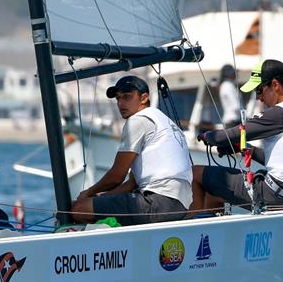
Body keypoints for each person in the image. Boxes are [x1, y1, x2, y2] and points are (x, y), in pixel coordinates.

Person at [190, 59, 283, 211]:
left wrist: (207, 136)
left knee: (195, 173)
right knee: (215, 192)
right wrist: (248, 150)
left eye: (259, 90)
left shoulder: (281, 113)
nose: (258, 98)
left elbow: (225, 137)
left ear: (275, 85)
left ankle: (191, 231)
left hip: (272, 196)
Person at [70, 75, 192, 226]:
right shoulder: (164, 120)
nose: (121, 103)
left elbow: (117, 176)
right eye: (118, 98)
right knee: (94, 204)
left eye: (127, 97)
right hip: (178, 206)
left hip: (158, 202)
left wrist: (87, 193)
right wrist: (101, 197)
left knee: (78, 209)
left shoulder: (138, 120)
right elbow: (131, 184)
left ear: (144, 98)